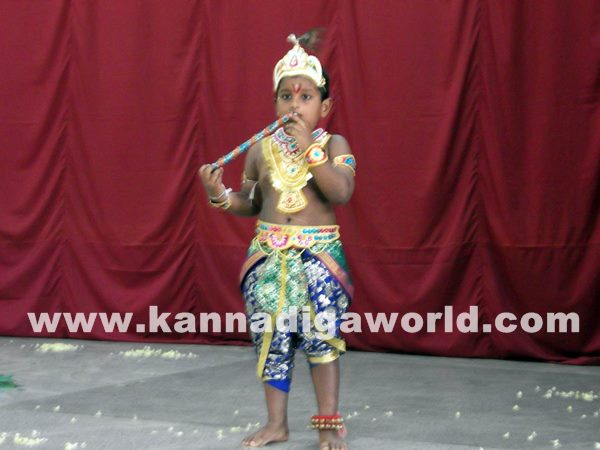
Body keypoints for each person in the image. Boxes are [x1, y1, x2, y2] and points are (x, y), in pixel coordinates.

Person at [198, 32, 356, 450]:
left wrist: (310, 150)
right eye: (286, 96)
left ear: (324, 107)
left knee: (322, 341)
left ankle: (327, 425)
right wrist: (219, 194)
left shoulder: (333, 145)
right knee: (271, 342)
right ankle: (276, 424)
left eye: (305, 97)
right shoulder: (260, 150)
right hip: (267, 258)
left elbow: (341, 191)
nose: (294, 105)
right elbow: (250, 203)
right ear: (274, 104)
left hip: (319, 259)